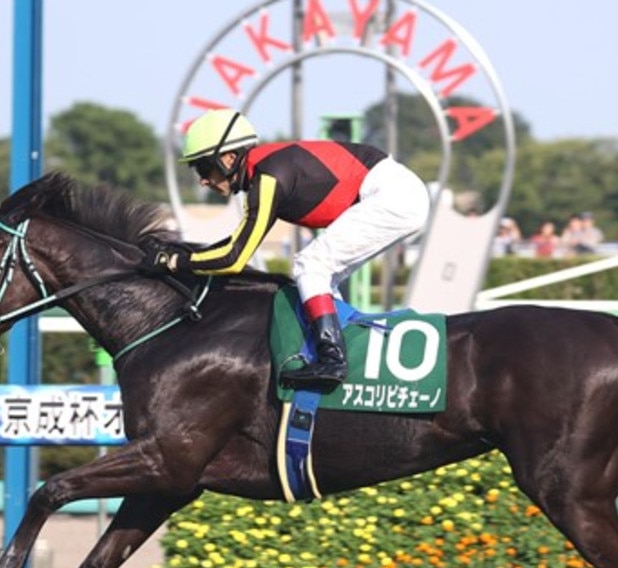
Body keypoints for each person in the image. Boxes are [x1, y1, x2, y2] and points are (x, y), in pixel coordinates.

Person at [149, 108, 430, 391]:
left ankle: (332, 360)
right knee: (321, 276)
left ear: (229, 158)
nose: (203, 180)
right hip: (395, 191)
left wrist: (173, 262)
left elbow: (234, 259)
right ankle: (343, 355)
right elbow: (237, 245)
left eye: (203, 167)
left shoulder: (268, 177)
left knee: (311, 265)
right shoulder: (264, 173)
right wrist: (178, 256)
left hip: (393, 194)